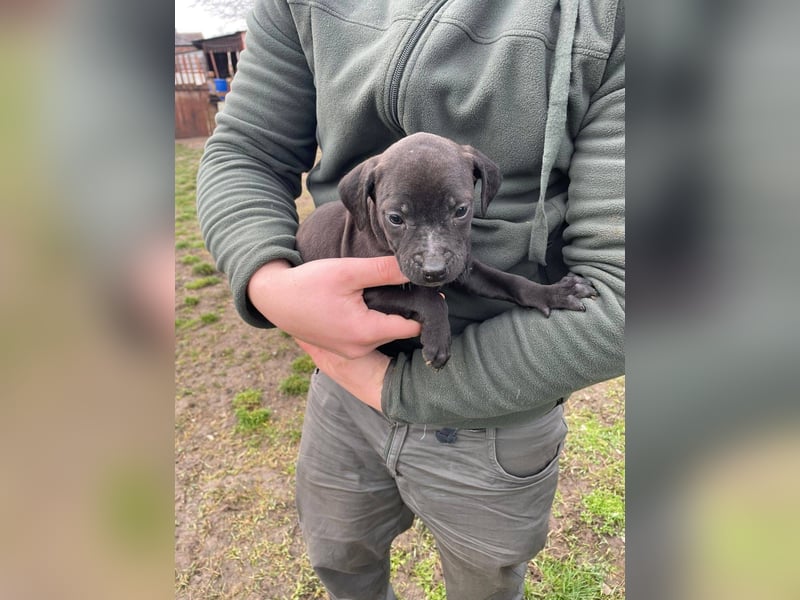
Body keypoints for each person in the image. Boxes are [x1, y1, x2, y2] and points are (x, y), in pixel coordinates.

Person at [197, 0, 624, 597]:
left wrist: (537, 294)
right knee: (340, 555)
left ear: (480, 189)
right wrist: (270, 285)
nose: (430, 258)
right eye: (399, 222)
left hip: (495, 407)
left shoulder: (614, 19)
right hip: (339, 391)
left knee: (486, 581)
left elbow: (624, 299)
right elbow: (246, 148)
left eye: (459, 212)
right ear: (367, 201)